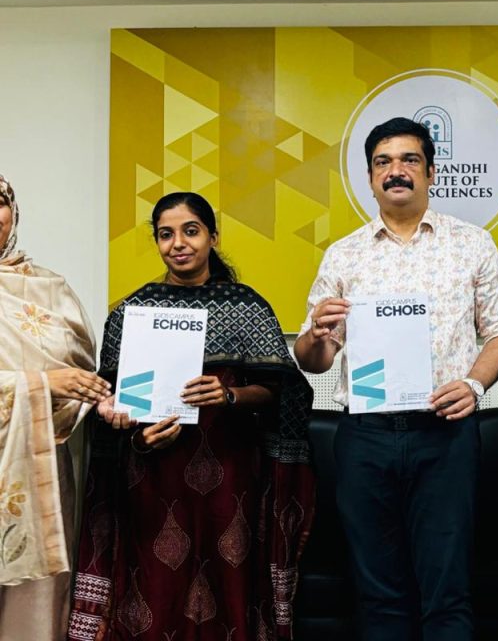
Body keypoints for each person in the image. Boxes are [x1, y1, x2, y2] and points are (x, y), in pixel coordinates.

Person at [293, 116, 498, 641]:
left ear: (431, 172)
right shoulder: (344, 254)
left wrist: (475, 385)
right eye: (383, 162)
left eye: (409, 160)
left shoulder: (472, 244)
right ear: (370, 178)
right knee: (377, 593)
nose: (396, 171)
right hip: (365, 438)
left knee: (448, 589)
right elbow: (313, 359)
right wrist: (318, 333)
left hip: (445, 435)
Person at [67, 192, 315, 641]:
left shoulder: (247, 308)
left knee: (230, 582)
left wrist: (230, 394)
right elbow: (110, 404)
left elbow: (281, 392)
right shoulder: (131, 312)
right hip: (152, 474)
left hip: (230, 476)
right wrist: (131, 431)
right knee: (153, 587)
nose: (178, 243)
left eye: (191, 231)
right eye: (166, 234)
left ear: (213, 238)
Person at [0, 174, 109, 640]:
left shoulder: (48, 289)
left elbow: (81, 371)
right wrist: (42, 383)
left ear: (14, 213)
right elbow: (56, 378)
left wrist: (72, 390)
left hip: (39, 466)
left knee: (33, 605)